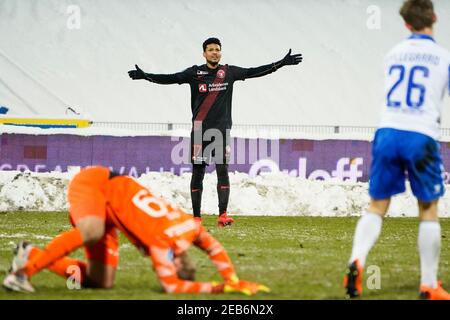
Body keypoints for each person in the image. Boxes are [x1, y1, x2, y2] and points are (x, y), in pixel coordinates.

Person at [2, 166, 269, 295]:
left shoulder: (187, 229)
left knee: (101, 281)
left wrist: (232, 279)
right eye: (172, 265)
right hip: (97, 184)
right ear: (175, 261)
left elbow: (214, 248)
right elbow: (173, 287)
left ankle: (30, 253)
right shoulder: (162, 244)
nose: (161, 266)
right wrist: (222, 287)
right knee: (93, 231)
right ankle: (22, 275)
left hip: (112, 208)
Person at [128, 38, 302, 227]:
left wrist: (280, 64)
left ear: (221, 52)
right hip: (199, 130)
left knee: (222, 171)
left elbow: (254, 72)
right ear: (204, 53)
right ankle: (196, 218)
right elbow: (171, 78)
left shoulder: (229, 72)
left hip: (222, 131)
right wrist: (147, 76)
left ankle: (223, 215)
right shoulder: (194, 73)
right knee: (198, 172)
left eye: (217, 49)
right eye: (210, 50)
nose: (214, 52)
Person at [344, 0, 450, 300]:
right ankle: (429, 285)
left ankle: (357, 259)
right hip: (421, 134)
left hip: (388, 131)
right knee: (428, 208)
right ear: (434, 17)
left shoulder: (392, 55)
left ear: (406, 24)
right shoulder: (443, 57)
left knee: (377, 205)